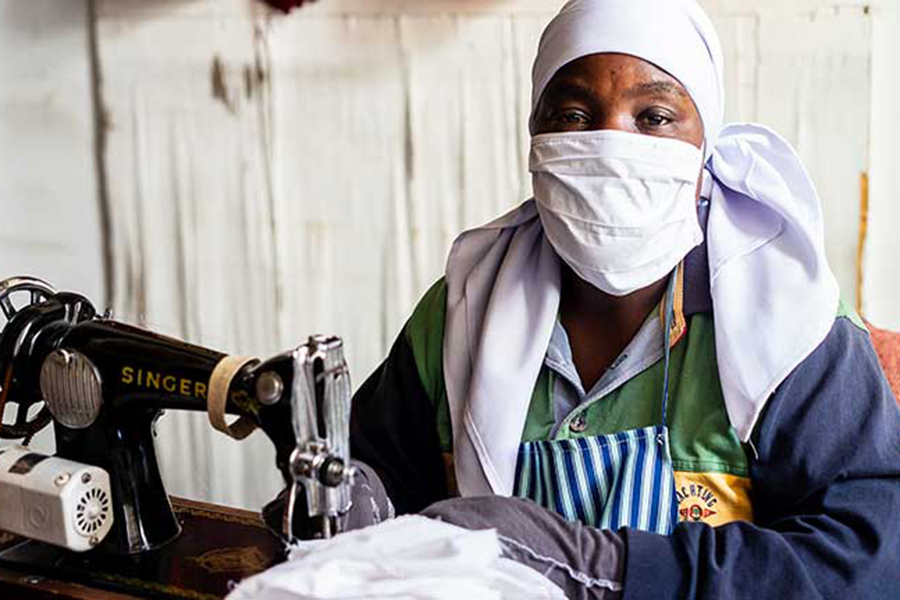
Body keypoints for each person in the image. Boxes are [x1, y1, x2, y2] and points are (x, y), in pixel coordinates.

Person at [346, 0, 900, 597]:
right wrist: (356, 497)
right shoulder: (464, 311)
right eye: (573, 114)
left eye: (655, 116)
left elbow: (868, 559)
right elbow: (380, 472)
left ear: (704, 144)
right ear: (535, 136)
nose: (610, 144)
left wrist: (603, 567)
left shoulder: (789, 322)